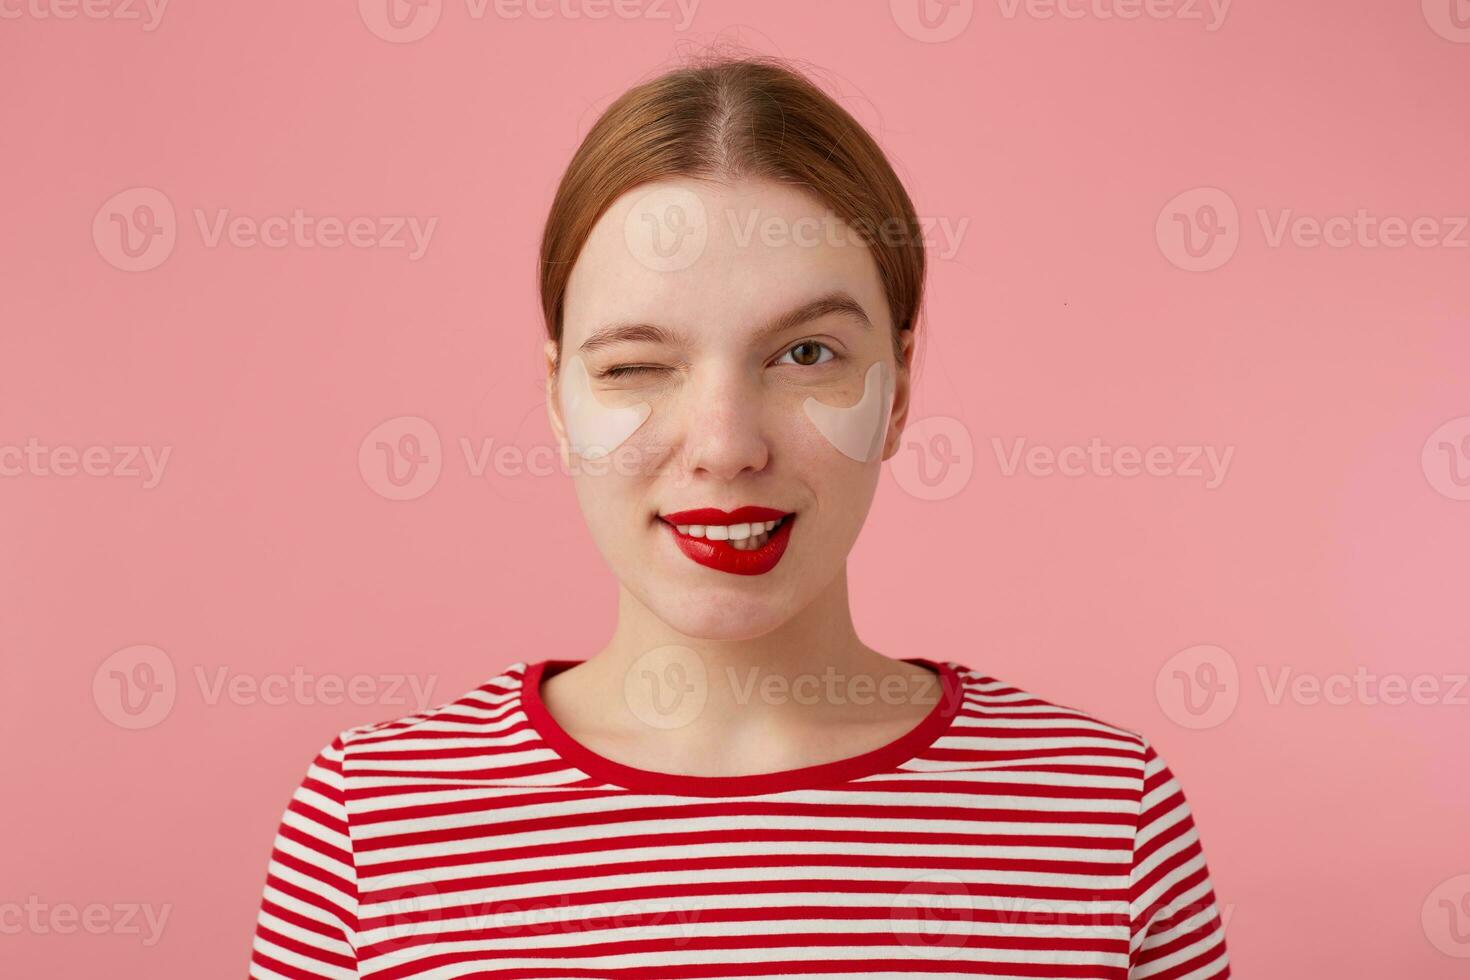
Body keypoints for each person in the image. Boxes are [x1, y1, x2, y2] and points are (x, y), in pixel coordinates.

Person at [247, 53, 1230, 979]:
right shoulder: (370, 822)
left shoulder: (1105, 820)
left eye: (805, 354)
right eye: (636, 364)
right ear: (557, 399)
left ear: (898, 387)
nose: (725, 444)